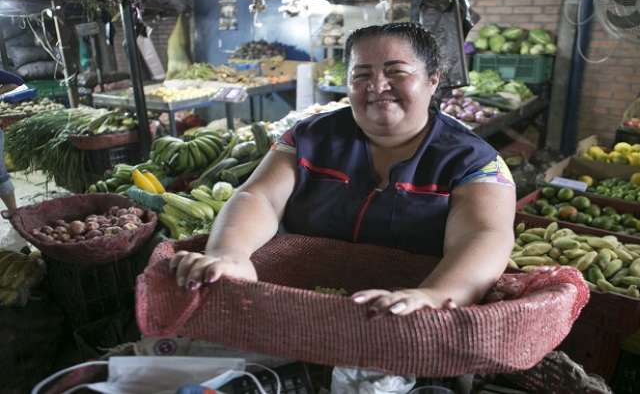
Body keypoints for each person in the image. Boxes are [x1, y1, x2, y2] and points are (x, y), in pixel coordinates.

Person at [171, 22, 516, 317]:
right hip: (297, 305)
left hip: (409, 321)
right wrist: (229, 255)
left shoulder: (474, 160)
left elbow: (484, 235)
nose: (377, 86)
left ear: (432, 80)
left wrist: (435, 296)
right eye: (361, 75)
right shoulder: (309, 138)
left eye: (396, 72)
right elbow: (259, 197)